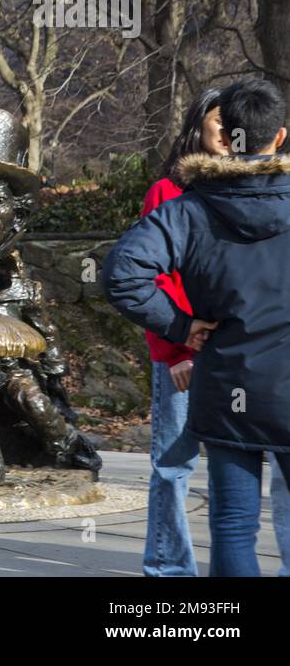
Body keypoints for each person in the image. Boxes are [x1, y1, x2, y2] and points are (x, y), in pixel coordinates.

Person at [103, 78, 290, 576]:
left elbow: (122, 273)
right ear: (281, 135)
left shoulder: (189, 209)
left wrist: (181, 327)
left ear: (228, 135)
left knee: (233, 523)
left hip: (231, 385)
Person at [134, 88, 226, 576]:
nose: (229, 133)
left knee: (240, 471)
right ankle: (169, 570)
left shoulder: (241, 189)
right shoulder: (165, 193)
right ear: (198, 126)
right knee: (173, 468)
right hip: (182, 355)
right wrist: (176, 351)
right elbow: (150, 281)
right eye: (219, 122)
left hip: (239, 352)